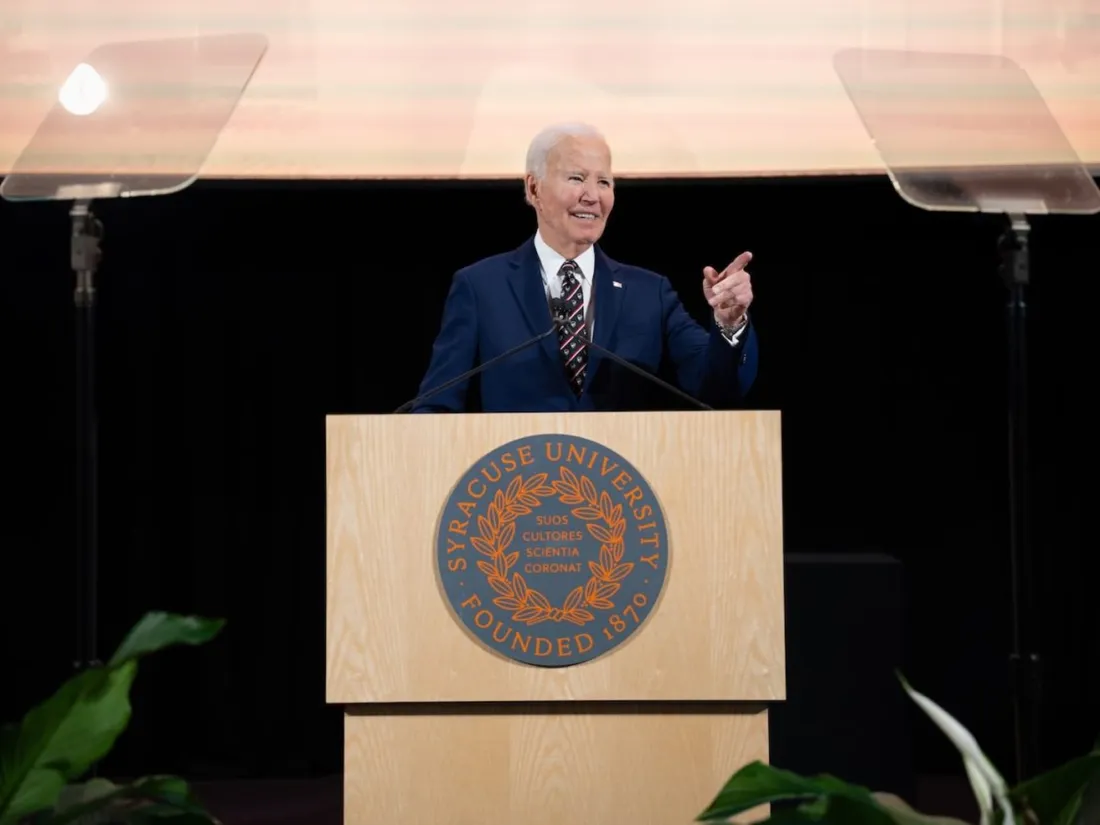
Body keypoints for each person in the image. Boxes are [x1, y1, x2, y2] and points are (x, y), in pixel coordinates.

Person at [411, 122, 758, 413]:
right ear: (534, 188)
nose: (592, 195)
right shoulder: (481, 287)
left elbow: (715, 390)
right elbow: (436, 407)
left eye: (603, 182)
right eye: (577, 178)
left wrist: (729, 325)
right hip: (517, 488)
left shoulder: (649, 293)